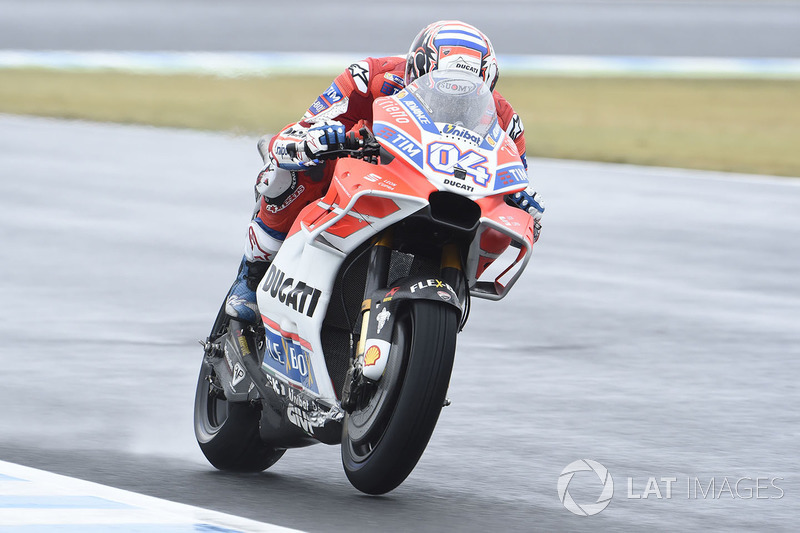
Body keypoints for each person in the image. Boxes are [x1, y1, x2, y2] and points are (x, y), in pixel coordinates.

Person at [225, 20, 545, 323]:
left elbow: (514, 178)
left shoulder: (504, 119)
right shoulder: (370, 77)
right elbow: (301, 129)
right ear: (418, 69)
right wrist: (322, 138)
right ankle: (254, 272)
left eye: (469, 90)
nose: (457, 98)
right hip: (366, 177)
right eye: (445, 86)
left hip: (438, 195)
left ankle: (448, 283)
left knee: (502, 220)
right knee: (298, 166)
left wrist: (522, 202)